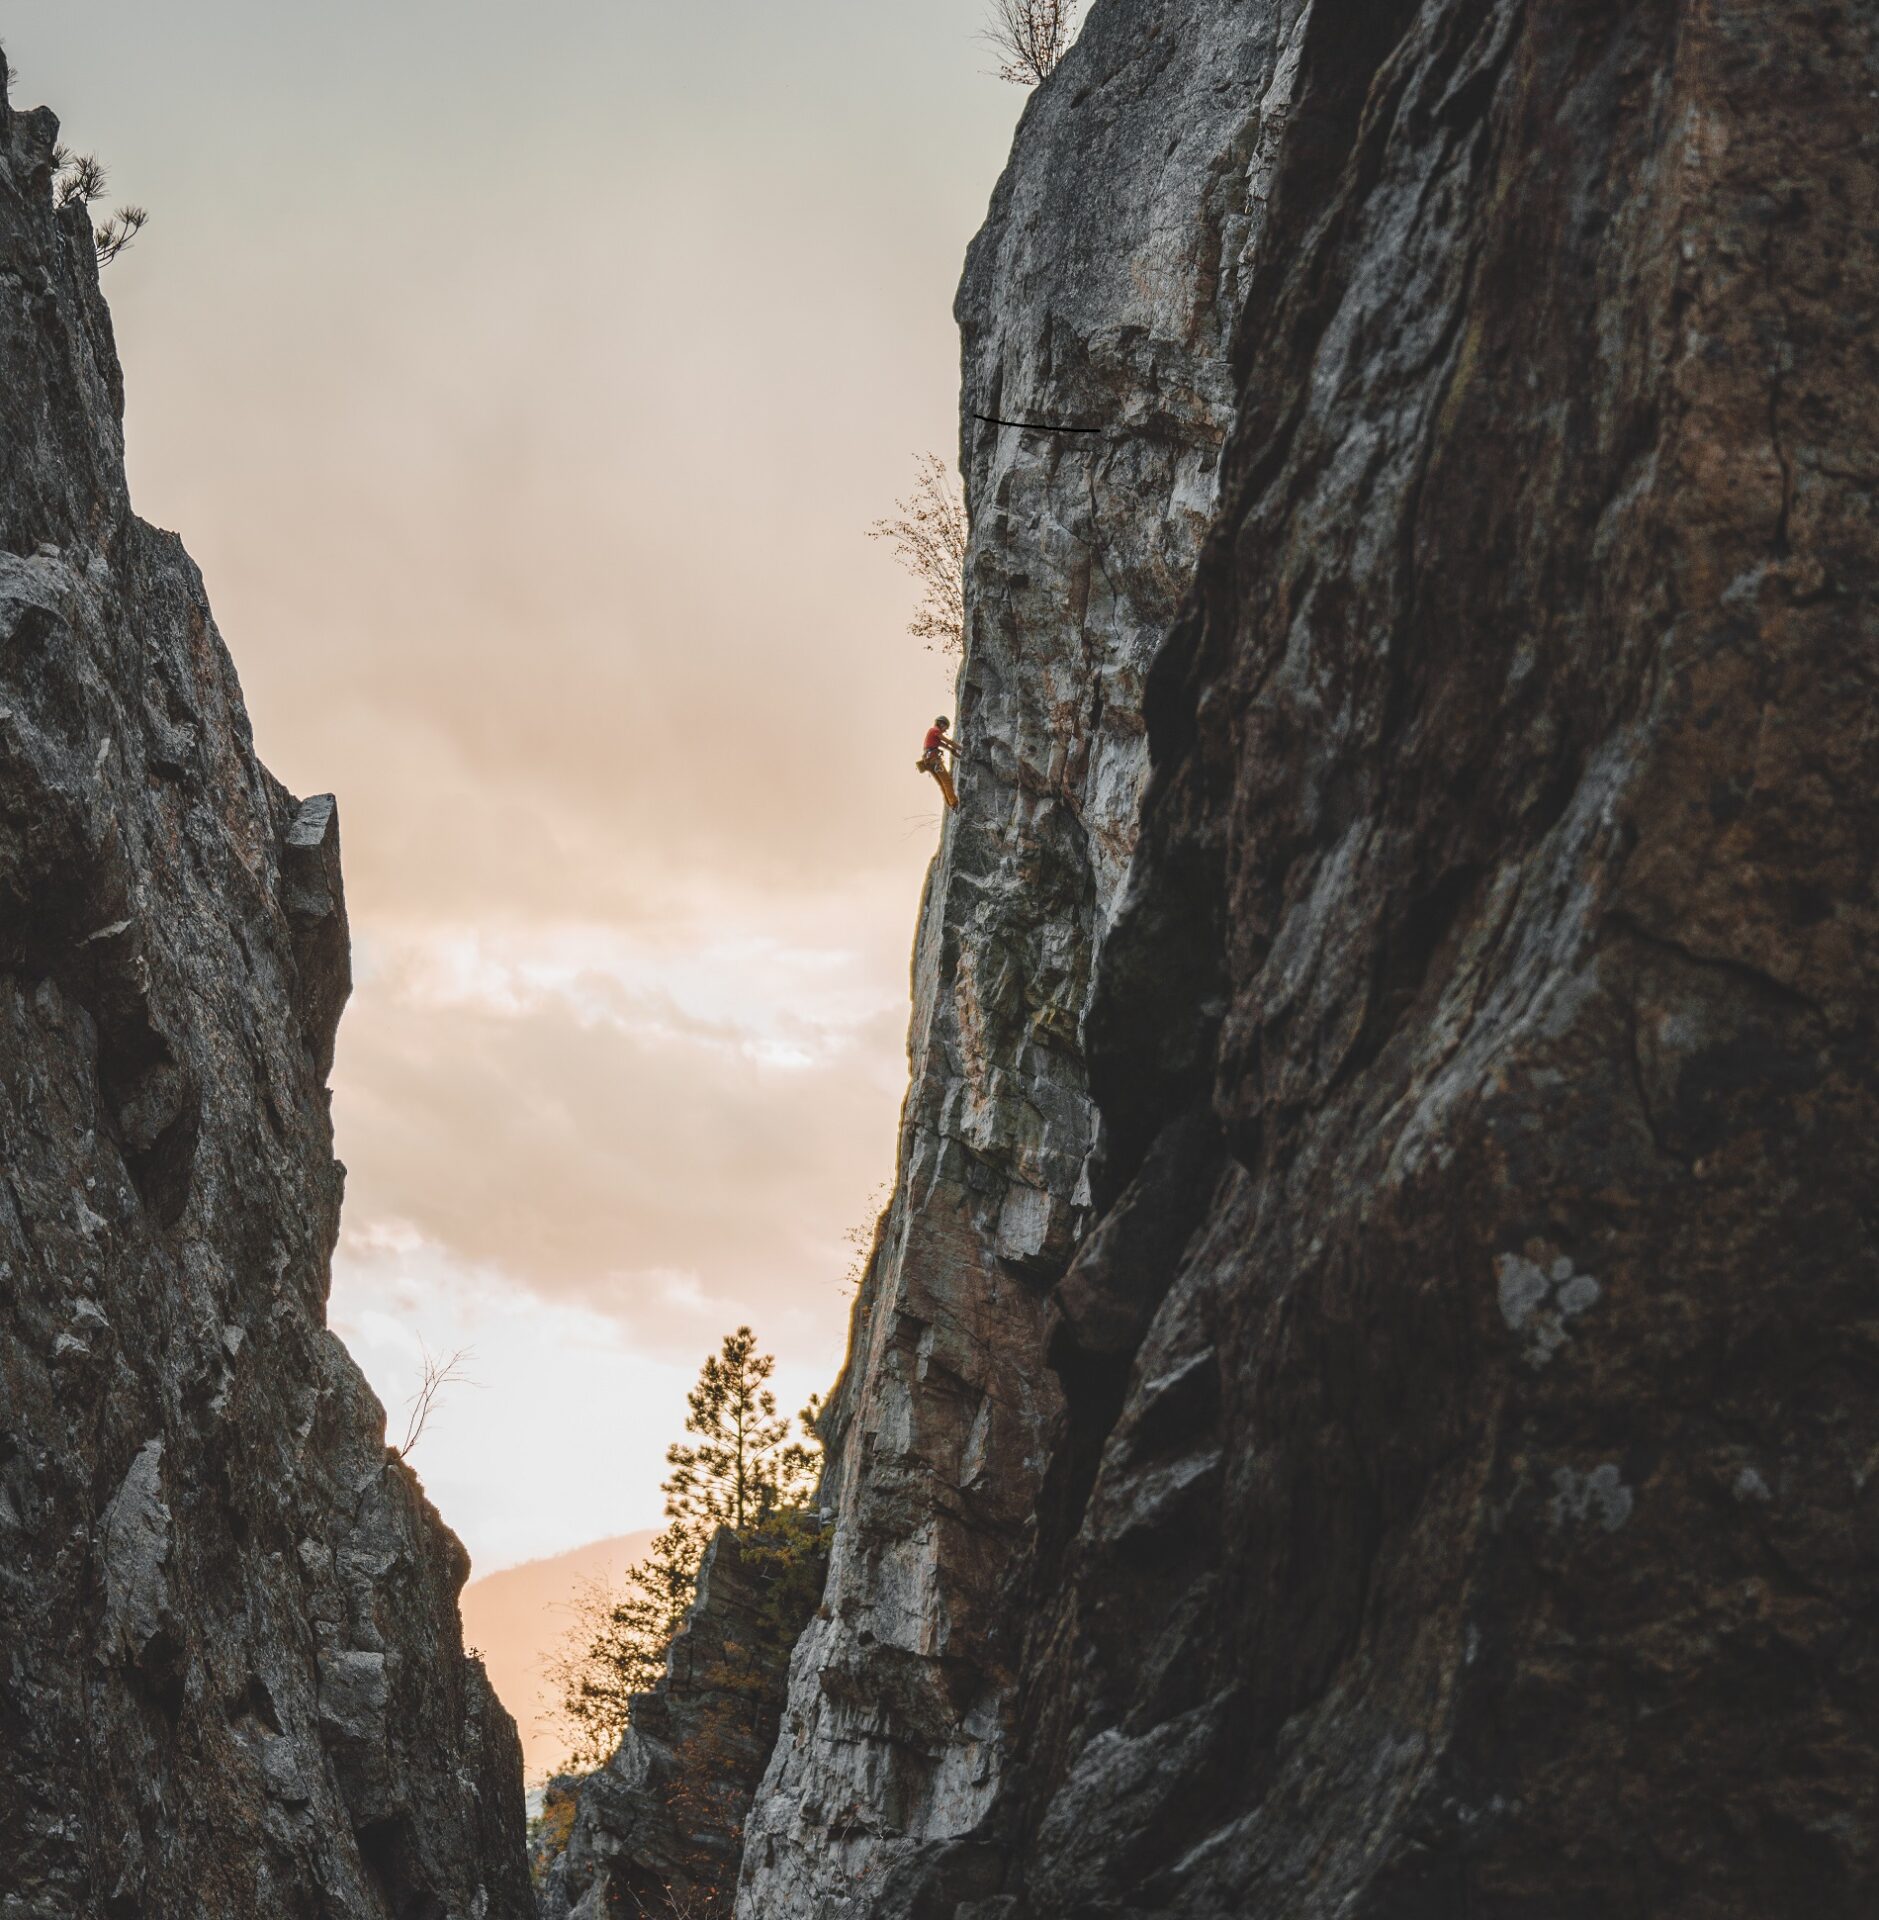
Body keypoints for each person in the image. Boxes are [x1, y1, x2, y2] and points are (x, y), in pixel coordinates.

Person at [917, 715, 960, 810]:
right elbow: (948, 742)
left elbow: (945, 746)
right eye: (945, 728)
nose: (945, 730)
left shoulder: (932, 734)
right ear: (941, 723)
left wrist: (954, 752)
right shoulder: (935, 730)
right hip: (934, 761)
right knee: (947, 781)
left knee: (942, 783)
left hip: (928, 762)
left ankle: (951, 804)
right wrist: (962, 749)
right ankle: (954, 803)